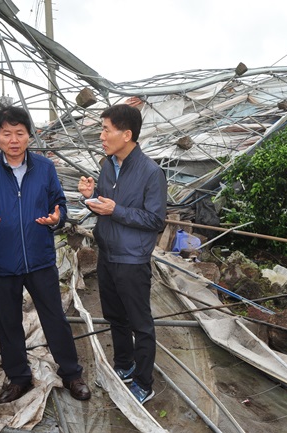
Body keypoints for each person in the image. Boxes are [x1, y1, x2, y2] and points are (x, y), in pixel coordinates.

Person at [0, 106, 90, 404]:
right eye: (6, 133)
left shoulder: (44, 168)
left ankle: (72, 373)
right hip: (2, 259)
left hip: (39, 257)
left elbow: (58, 204)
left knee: (54, 318)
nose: (13, 139)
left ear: (29, 136)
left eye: (19, 133)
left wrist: (56, 219)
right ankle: (19, 377)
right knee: (8, 322)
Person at [78, 103, 167, 404]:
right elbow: (104, 203)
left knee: (140, 323)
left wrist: (117, 210)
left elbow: (155, 220)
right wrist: (90, 197)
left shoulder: (151, 172)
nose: (101, 136)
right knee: (115, 316)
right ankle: (124, 365)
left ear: (126, 134)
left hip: (132, 258)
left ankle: (144, 381)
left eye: (106, 130)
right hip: (107, 252)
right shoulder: (107, 165)